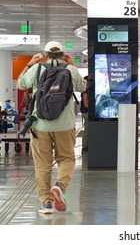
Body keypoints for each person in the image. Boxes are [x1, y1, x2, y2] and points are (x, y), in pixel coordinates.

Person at [16, 41, 86, 215]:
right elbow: (82, 87)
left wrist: (30, 63)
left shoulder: (37, 69)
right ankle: (60, 187)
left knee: (42, 165)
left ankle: (46, 203)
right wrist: (72, 65)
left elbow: (20, 84)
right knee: (67, 159)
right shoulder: (70, 70)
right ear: (63, 55)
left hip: (40, 125)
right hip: (65, 125)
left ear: (45, 55)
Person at [80, 76, 89, 155]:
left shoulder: (85, 90)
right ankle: (85, 147)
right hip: (87, 112)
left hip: (86, 112)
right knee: (87, 129)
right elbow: (86, 104)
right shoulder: (85, 91)